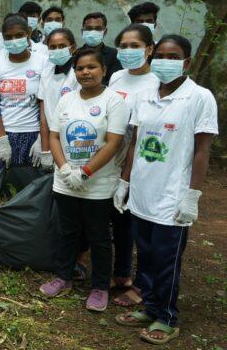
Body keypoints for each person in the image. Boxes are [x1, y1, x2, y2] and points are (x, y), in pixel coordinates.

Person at [114, 35, 217, 345]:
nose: (164, 61)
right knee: (144, 254)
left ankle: (167, 316)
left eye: (173, 57)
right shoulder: (144, 95)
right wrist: (125, 181)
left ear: (186, 62)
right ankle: (149, 306)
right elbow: (134, 141)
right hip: (143, 191)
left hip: (172, 195)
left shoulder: (199, 98)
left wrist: (192, 195)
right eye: (160, 55)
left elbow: (202, 151)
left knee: (166, 257)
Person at [38, 47, 129, 313]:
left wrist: (85, 172)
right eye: (80, 68)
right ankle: (62, 276)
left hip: (97, 184)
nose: (85, 72)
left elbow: (114, 143)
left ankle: (100, 287)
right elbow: (54, 136)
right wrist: (65, 169)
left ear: (103, 70)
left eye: (91, 67)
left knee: (98, 236)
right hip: (65, 180)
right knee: (67, 231)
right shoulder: (67, 99)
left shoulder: (114, 101)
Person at [108, 23, 160, 306]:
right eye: (124, 46)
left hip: (142, 162)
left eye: (134, 46)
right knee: (120, 221)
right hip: (113, 158)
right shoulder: (116, 77)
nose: (128, 52)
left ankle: (141, 285)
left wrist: (128, 174)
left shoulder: (156, 82)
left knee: (141, 223)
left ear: (149, 49)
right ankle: (120, 273)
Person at [0, 13, 47, 187]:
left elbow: (45, 103)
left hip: (31, 135)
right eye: (8, 37)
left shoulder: (43, 62)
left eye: (19, 35)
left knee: (28, 188)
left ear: (28, 33)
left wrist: (42, 137)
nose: (14, 40)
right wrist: (2, 140)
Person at [33, 28, 80, 171]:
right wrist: (45, 147)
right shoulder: (47, 72)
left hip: (74, 138)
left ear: (72, 48)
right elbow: (44, 113)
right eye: (52, 47)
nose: (57, 50)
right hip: (50, 138)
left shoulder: (77, 73)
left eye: (62, 46)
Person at [80, 12, 121, 84]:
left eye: (98, 29)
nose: (93, 32)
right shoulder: (75, 54)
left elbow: (115, 82)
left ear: (105, 32)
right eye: (89, 29)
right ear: (82, 31)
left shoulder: (115, 55)